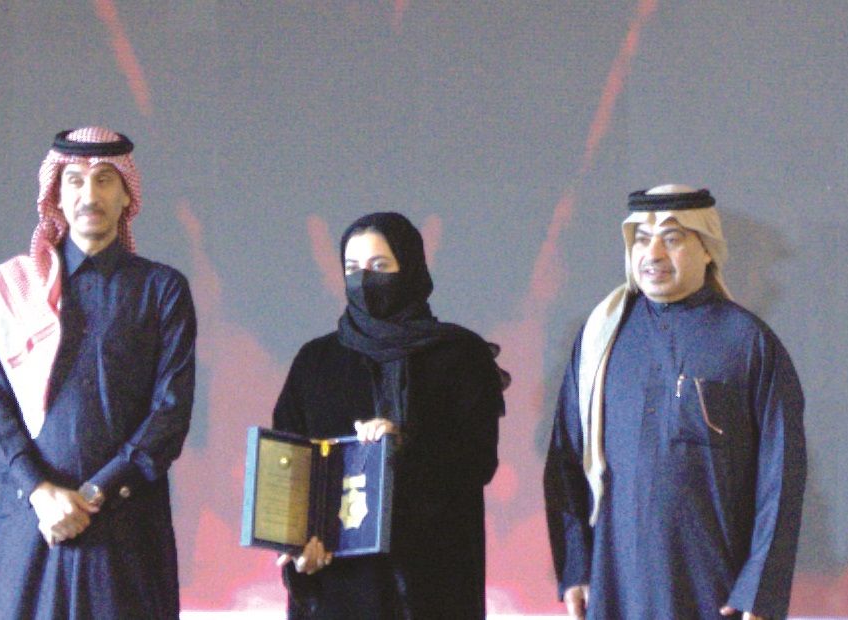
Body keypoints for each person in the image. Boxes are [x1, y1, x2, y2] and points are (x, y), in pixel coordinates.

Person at [543, 185, 806, 620]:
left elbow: (781, 476)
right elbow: (565, 460)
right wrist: (576, 567)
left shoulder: (748, 343)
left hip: (714, 594)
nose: (653, 254)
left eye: (671, 238)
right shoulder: (599, 341)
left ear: (707, 248)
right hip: (615, 587)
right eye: (642, 239)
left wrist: (757, 591)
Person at [0, 127, 196, 619]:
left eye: (104, 180)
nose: (89, 195)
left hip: (126, 534)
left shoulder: (162, 290)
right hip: (34, 528)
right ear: (55, 195)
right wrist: (42, 493)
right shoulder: (15, 291)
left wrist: (94, 494)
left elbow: (170, 413)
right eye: (74, 180)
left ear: (127, 195)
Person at [272, 212, 506, 619]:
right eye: (352, 269)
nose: (364, 280)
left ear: (409, 267)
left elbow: (477, 461)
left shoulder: (458, 355)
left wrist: (404, 442)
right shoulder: (316, 362)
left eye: (379, 266)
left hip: (436, 580)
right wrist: (295, 547)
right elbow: (289, 465)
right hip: (341, 584)